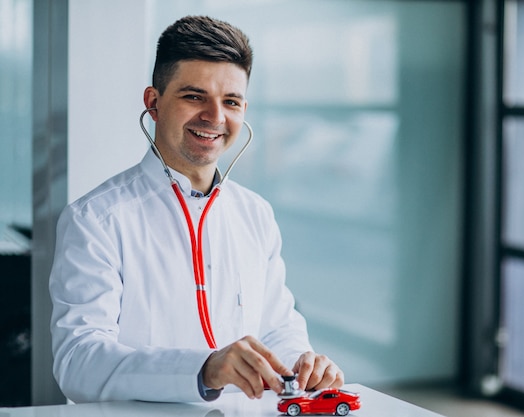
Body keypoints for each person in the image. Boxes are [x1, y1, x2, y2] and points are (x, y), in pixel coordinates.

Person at [49, 15, 343, 403]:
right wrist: (204, 370)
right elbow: (78, 361)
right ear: (153, 104)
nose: (215, 117)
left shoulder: (255, 214)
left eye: (231, 101)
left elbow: (277, 329)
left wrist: (304, 365)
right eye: (194, 96)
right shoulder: (96, 220)